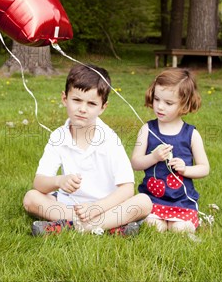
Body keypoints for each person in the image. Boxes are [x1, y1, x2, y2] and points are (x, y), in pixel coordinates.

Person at [23, 64, 152, 236]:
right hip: (70, 207)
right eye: (76, 100)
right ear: (64, 99)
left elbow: (127, 188)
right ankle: (109, 226)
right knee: (31, 198)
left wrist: (96, 208)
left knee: (143, 202)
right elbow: (39, 182)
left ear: (103, 107)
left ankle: (71, 227)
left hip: (105, 205)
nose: (82, 109)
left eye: (91, 103)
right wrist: (59, 181)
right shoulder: (58, 136)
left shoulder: (109, 139)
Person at [131, 68, 210, 233]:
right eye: (157, 99)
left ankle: (182, 222)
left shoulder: (191, 134)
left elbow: (204, 168)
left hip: (182, 201)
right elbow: (135, 163)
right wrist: (153, 157)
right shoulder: (147, 129)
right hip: (152, 199)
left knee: (181, 229)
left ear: (185, 104)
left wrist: (185, 169)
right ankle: (154, 221)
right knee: (154, 227)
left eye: (168, 103)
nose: (160, 106)